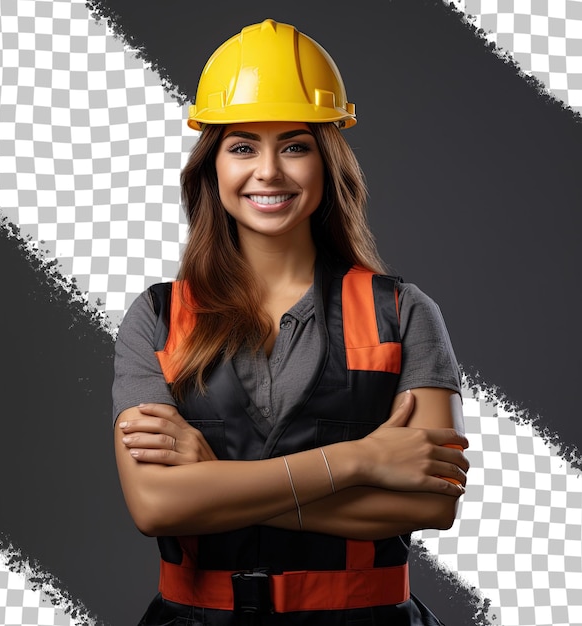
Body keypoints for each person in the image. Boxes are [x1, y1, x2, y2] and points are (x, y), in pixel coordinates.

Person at [112, 18, 469, 626]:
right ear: (212, 166)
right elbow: (155, 506)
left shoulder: (404, 314)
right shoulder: (158, 318)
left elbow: (431, 504)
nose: (269, 171)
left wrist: (214, 485)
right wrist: (356, 463)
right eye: (244, 145)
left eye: (296, 145)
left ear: (327, 164)